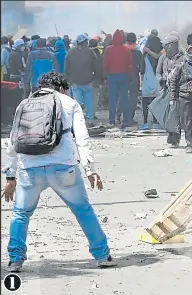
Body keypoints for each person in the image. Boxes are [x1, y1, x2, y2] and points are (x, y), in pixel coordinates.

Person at [2, 72, 116, 272]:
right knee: (82, 210)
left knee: (20, 213)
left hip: (29, 169)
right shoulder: (69, 103)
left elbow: (13, 142)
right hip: (63, 168)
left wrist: (10, 176)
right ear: (61, 88)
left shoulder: (24, 104)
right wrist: (90, 169)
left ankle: (15, 260)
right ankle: (102, 255)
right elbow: (82, 138)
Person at [65, 34, 100, 128]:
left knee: (77, 102)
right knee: (89, 101)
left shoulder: (70, 52)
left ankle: (77, 120)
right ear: (85, 42)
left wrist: (68, 79)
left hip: (75, 81)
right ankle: (89, 119)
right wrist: (97, 77)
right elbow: (96, 66)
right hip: (88, 80)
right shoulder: (90, 52)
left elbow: (66, 67)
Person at [156, 35, 184, 147]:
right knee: (167, 114)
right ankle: (170, 133)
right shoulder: (163, 58)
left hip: (178, 90)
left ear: (173, 46)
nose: (165, 48)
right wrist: (160, 79)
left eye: (166, 45)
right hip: (166, 90)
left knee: (176, 114)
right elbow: (158, 72)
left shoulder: (183, 58)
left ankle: (176, 137)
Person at [103, 29, 132, 127]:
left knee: (113, 100)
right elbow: (129, 65)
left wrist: (106, 77)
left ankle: (112, 120)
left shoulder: (108, 50)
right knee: (124, 99)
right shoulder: (126, 50)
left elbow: (105, 64)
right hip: (124, 76)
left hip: (112, 76)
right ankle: (126, 120)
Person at [126, 32, 143, 123]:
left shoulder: (123, 51)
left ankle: (120, 117)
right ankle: (130, 118)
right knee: (133, 99)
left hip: (124, 78)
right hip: (134, 78)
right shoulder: (138, 53)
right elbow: (141, 68)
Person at [89, 38, 104, 118]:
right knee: (95, 97)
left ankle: (89, 113)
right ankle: (92, 113)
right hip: (96, 79)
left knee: (87, 97)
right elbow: (101, 67)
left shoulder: (86, 53)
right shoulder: (99, 54)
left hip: (87, 78)